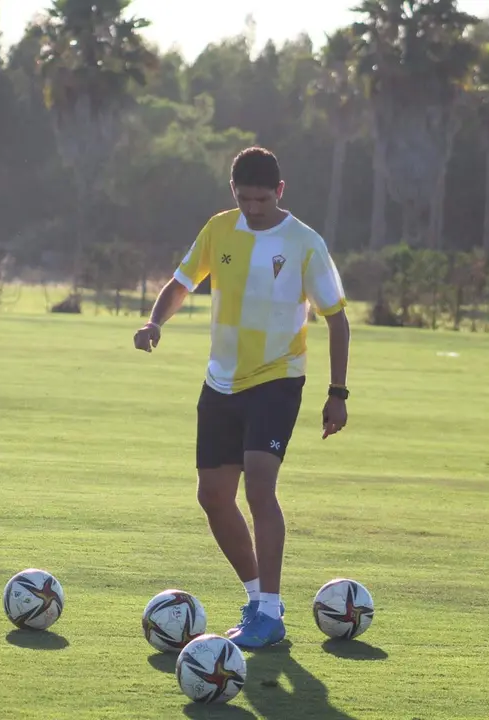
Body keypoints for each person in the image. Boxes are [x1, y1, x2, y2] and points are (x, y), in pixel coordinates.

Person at [133, 146, 351, 650]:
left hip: (276, 380)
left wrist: (337, 393)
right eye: (243, 197)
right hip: (220, 382)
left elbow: (337, 319)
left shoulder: (304, 243)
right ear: (233, 190)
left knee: (258, 488)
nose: (252, 208)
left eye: (261, 198)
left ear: (279, 191)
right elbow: (182, 281)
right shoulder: (218, 229)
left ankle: (271, 612)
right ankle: (256, 599)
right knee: (212, 496)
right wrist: (154, 321)